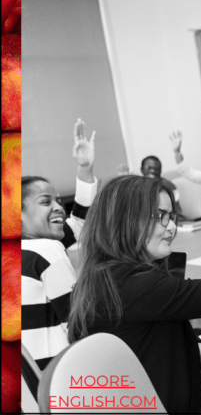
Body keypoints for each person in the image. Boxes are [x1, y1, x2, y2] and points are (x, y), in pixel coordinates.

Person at [66, 175, 201, 413]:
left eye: (171, 216)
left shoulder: (103, 276)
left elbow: (152, 338)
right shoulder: (134, 284)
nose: (171, 226)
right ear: (123, 221)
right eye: (159, 216)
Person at [20, 119, 97, 370]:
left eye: (57, 200)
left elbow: (78, 222)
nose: (57, 206)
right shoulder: (46, 251)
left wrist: (85, 168)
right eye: (45, 202)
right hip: (61, 375)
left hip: (29, 381)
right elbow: (78, 325)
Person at [119, 156, 183, 217]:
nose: (153, 171)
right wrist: (124, 183)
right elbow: (125, 206)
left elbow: (177, 211)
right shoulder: (136, 186)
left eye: (156, 169)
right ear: (142, 170)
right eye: (149, 168)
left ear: (160, 171)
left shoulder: (168, 186)